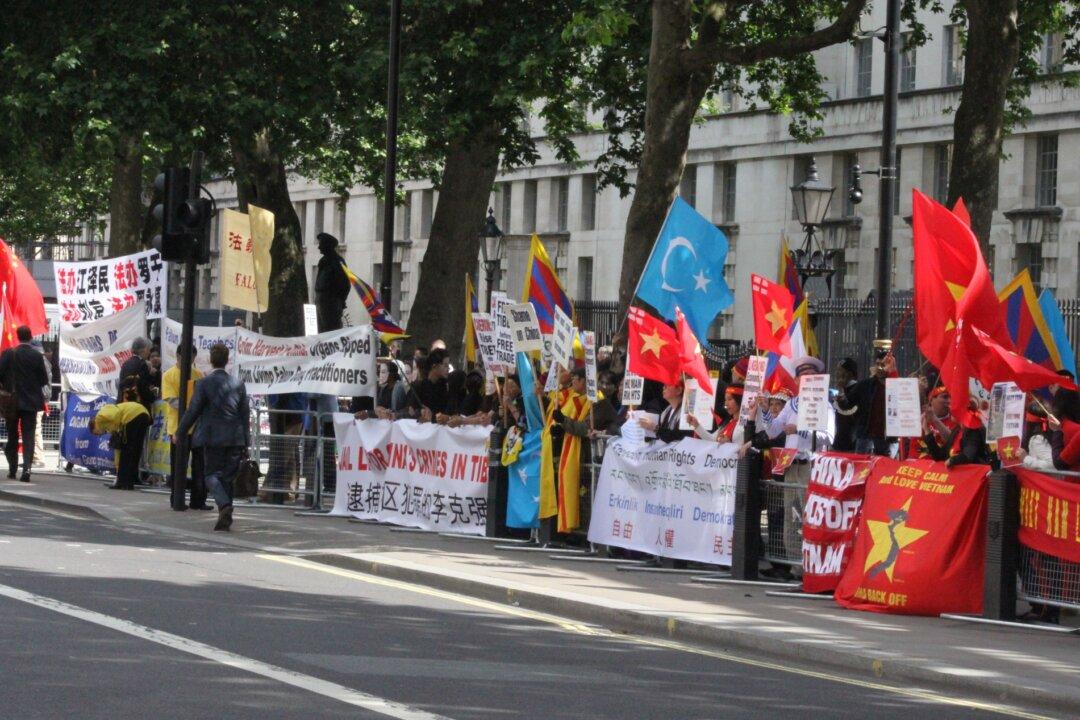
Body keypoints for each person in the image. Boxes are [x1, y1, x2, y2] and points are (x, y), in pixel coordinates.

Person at [175, 342, 250, 532]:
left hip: (212, 437)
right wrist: (246, 441)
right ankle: (225, 516)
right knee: (227, 478)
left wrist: (180, 432)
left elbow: (193, 411)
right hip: (235, 438)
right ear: (227, 360)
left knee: (211, 475)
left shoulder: (203, 383)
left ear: (210, 359)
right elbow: (244, 415)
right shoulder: (238, 384)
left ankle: (224, 506)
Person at [161, 345, 210, 510]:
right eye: (186, 358)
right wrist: (193, 408)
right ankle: (176, 499)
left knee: (199, 466)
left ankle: (198, 500)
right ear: (178, 356)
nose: (189, 361)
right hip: (178, 428)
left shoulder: (198, 375)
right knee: (178, 466)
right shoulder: (169, 375)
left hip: (197, 428)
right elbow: (171, 400)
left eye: (192, 358)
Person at [0, 326, 50, 481]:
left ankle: (12, 469)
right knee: (29, 436)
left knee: (12, 435)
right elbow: (44, 380)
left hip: (12, 401)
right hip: (31, 402)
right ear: (30, 337)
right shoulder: (37, 356)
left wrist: (7, 386)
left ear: (17, 336)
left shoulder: (9, 353)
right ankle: (27, 469)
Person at [91, 395, 151, 490]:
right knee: (136, 450)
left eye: (96, 433)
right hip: (143, 413)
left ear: (94, 426)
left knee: (126, 451)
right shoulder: (107, 424)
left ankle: (123, 482)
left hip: (130, 417)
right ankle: (131, 480)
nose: (100, 434)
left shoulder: (99, 417)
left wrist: (118, 427)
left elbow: (115, 413)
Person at [314, 232, 350, 332]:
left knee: (332, 331)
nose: (319, 247)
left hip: (331, 304)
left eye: (321, 244)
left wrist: (339, 301)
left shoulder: (337, 261)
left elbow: (345, 284)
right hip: (321, 301)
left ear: (328, 245)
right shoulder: (323, 261)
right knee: (321, 331)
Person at [831, 358, 859, 452]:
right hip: (839, 444)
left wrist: (842, 390)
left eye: (840, 370)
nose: (837, 374)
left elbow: (848, 411)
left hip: (851, 446)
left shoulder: (857, 390)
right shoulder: (844, 389)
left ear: (850, 374)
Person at [119, 336, 156, 407]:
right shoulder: (142, 364)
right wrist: (153, 398)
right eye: (149, 350)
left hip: (124, 405)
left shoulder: (125, 364)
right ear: (144, 350)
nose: (149, 352)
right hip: (138, 406)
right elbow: (143, 388)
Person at [416, 348, 451, 417]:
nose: (448, 368)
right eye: (445, 365)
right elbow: (412, 410)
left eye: (448, 365)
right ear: (434, 366)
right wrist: (420, 412)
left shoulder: (446, 385)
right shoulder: (420, 386)